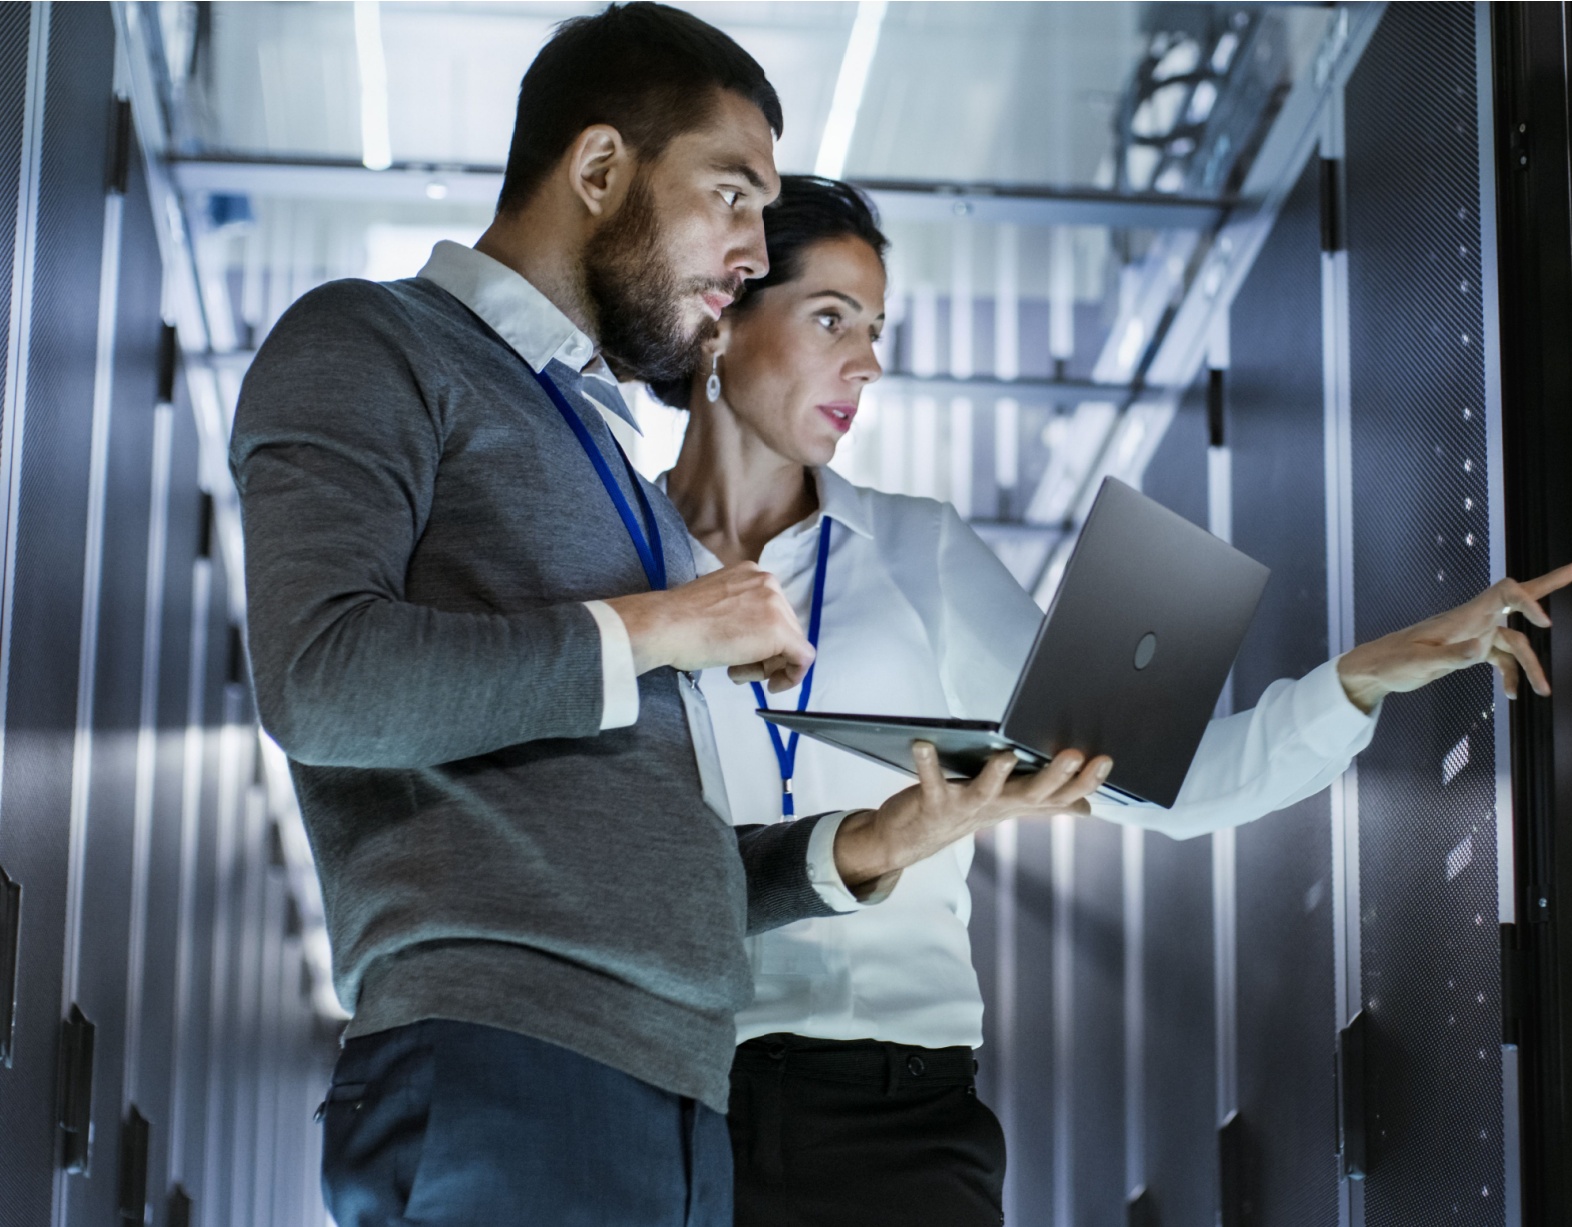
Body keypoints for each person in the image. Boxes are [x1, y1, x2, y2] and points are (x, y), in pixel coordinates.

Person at [228, 8, 1106, 1227]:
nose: (754, 250)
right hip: (509, 1063)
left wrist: (880, 841)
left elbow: (662, 863)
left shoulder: (601, 454)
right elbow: (322, 682)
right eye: (734, 196)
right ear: (599, 170)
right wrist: (660, 629)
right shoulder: (373, 339)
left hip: (679, 1097)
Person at [637, 175, 1572, 1227]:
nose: (869, 362)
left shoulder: (921, 550)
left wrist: (1359, 677)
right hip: (661, 1096)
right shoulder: (612, 567)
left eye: (877, 328)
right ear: (723, 319)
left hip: (895, 1118)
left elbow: (1157, 788)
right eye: (831, 319)